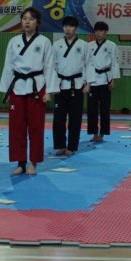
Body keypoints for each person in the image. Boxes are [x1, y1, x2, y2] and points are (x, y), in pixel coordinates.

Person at [0, 7, 53, 175]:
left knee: (36, 127)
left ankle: (33, 163)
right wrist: (6, 91)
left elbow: (49, 67)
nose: (27, 22)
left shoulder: (44, 42)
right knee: (17, 127)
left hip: (37, 87)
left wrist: (49, 91)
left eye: (31, 19)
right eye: (24, 19)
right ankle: (20, 163)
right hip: (17, 87)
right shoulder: (13, 41)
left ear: (37, 23)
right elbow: (8, 66)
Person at [47, 16, 88, 156]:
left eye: (70, 26)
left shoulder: (83, 45)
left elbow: (88, 65)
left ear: (76, 28)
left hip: (77, 85)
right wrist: (51, 86)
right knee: (58, 118)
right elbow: (52, 66)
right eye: (65, 26)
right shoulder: (56, 45)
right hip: (60, 85)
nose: (68, 29)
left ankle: (71, 146)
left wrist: (88, 83)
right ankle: (60, 145)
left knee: (75, 118)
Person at [84, 21, 119, 143]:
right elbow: (87, 64)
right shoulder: (89, 46)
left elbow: (114, 63)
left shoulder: (112, 45)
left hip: (105, 79)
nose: (99, 33)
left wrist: (113, 80)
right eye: (97, 31)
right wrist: (87, 83)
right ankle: (94, 133)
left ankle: (102, 133)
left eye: (102, 31)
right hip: (93, 79)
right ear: (95, 32)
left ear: (106, 32)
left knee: (105, 109)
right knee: (92, 110)